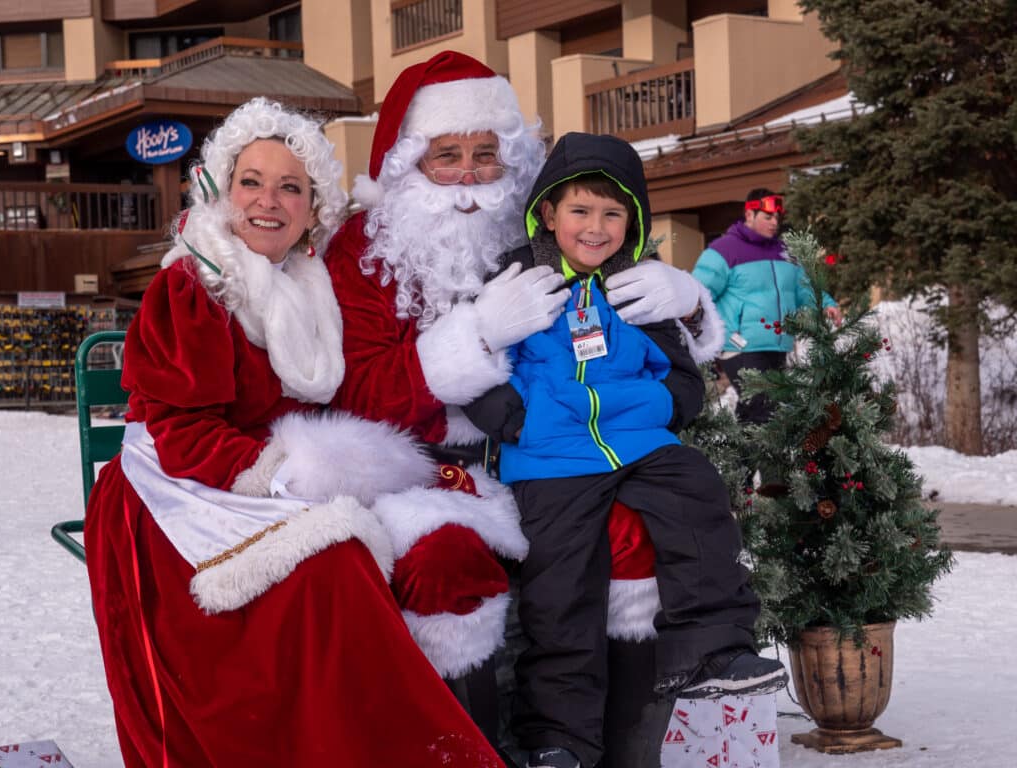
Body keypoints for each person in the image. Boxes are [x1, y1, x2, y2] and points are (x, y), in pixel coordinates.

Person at [324, 51, 726, 757]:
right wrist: (471, 337)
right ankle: (470, 750)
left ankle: (624, 749)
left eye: (487, 154)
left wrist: (691, 305)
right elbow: (352, 391)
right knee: (448, 563)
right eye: (446, 157)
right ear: (404, 164)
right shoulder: (362, 252)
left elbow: (637, 353)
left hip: (547, 453)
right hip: (420, 468)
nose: (472, 176)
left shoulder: (546, 236)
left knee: (635, 534)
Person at [84, 97, 505, 767]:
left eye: (291, 187)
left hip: (262, 485)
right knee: (331, 569)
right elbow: (181, 432)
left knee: (369, 557)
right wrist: (291, 473)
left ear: (313, 211)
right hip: (174, 499)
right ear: (223, 190)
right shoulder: (194, 285)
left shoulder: (309, 289)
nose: (268, 201)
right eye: (251, 182)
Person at [461, 133, 787, 768]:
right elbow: (476, 363)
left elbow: (685, 374)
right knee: (562, 592)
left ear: (632, 223)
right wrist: (514, 421)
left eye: (613, 214)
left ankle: (715, 645)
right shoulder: (516, 283)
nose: (596, 227)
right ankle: (558, 738)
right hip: (551, 457)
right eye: (580, 211)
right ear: (547, 214)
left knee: (697, 495)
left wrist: (666, 402)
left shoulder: (636, 289)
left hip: (637, 443)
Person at [693, 188, 842, 430]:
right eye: (767, 217)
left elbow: (803, 288)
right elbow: (698, 293)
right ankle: (772, 469)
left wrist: (826, 304)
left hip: (777, 344)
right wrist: (705, 337)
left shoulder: (783, 252)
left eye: (777, 218)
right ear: (749, 215)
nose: (775, 223)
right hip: (739, 345)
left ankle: (739, 467)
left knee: (757, 411)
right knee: (765, 410)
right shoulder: (724, 250)